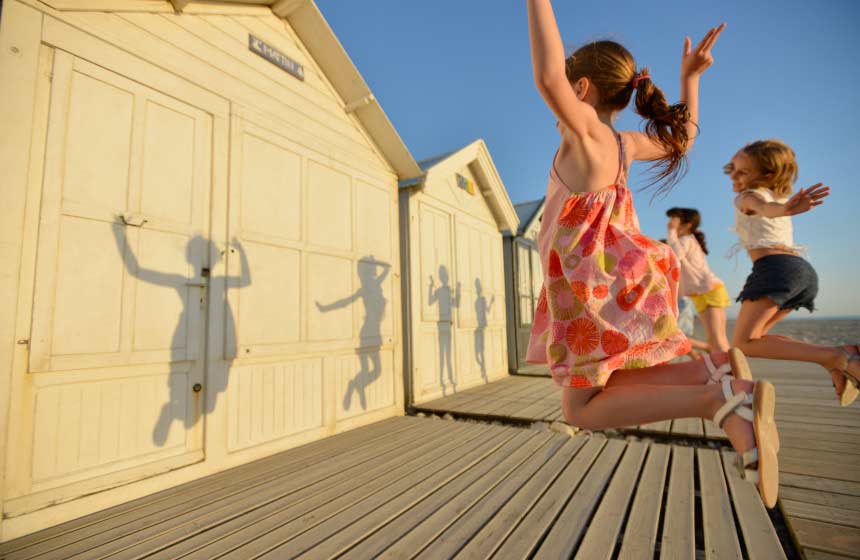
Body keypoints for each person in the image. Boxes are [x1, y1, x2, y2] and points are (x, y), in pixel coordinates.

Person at [523, 0, 779, 507]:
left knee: (578, 409)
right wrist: (691, 81)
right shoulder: (623, 144)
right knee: (616, 381)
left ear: (580, 91)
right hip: (618, 283)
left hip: (585, 294)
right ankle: (716, 374)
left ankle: (719, 400)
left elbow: (548, 75)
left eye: (566, 94)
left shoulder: (588, 135)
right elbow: (682, 138)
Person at [725, 140, 858, 405]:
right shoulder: (779, 196)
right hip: (801, 272)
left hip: (776, 271)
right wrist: (787, 208)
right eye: (732, 169)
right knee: (757, 338)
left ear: (767, 175)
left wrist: (785, 210)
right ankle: (835, 361)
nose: (735, 177)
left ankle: (838, 356)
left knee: (743, 343)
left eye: (743, 172)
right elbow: (772, 209)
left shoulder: (749, 197)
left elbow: (764, 209)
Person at [666, 207, 731, 351]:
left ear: (687, 224)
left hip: (708, 290)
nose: (669, 223)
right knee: (716, 339)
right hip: (703, 292)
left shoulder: (686, 239)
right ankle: (728, 371)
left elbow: (676, 256)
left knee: (717, 339)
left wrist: (671, 231)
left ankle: (731, 372)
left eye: (674, 220)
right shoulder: (689, 239)